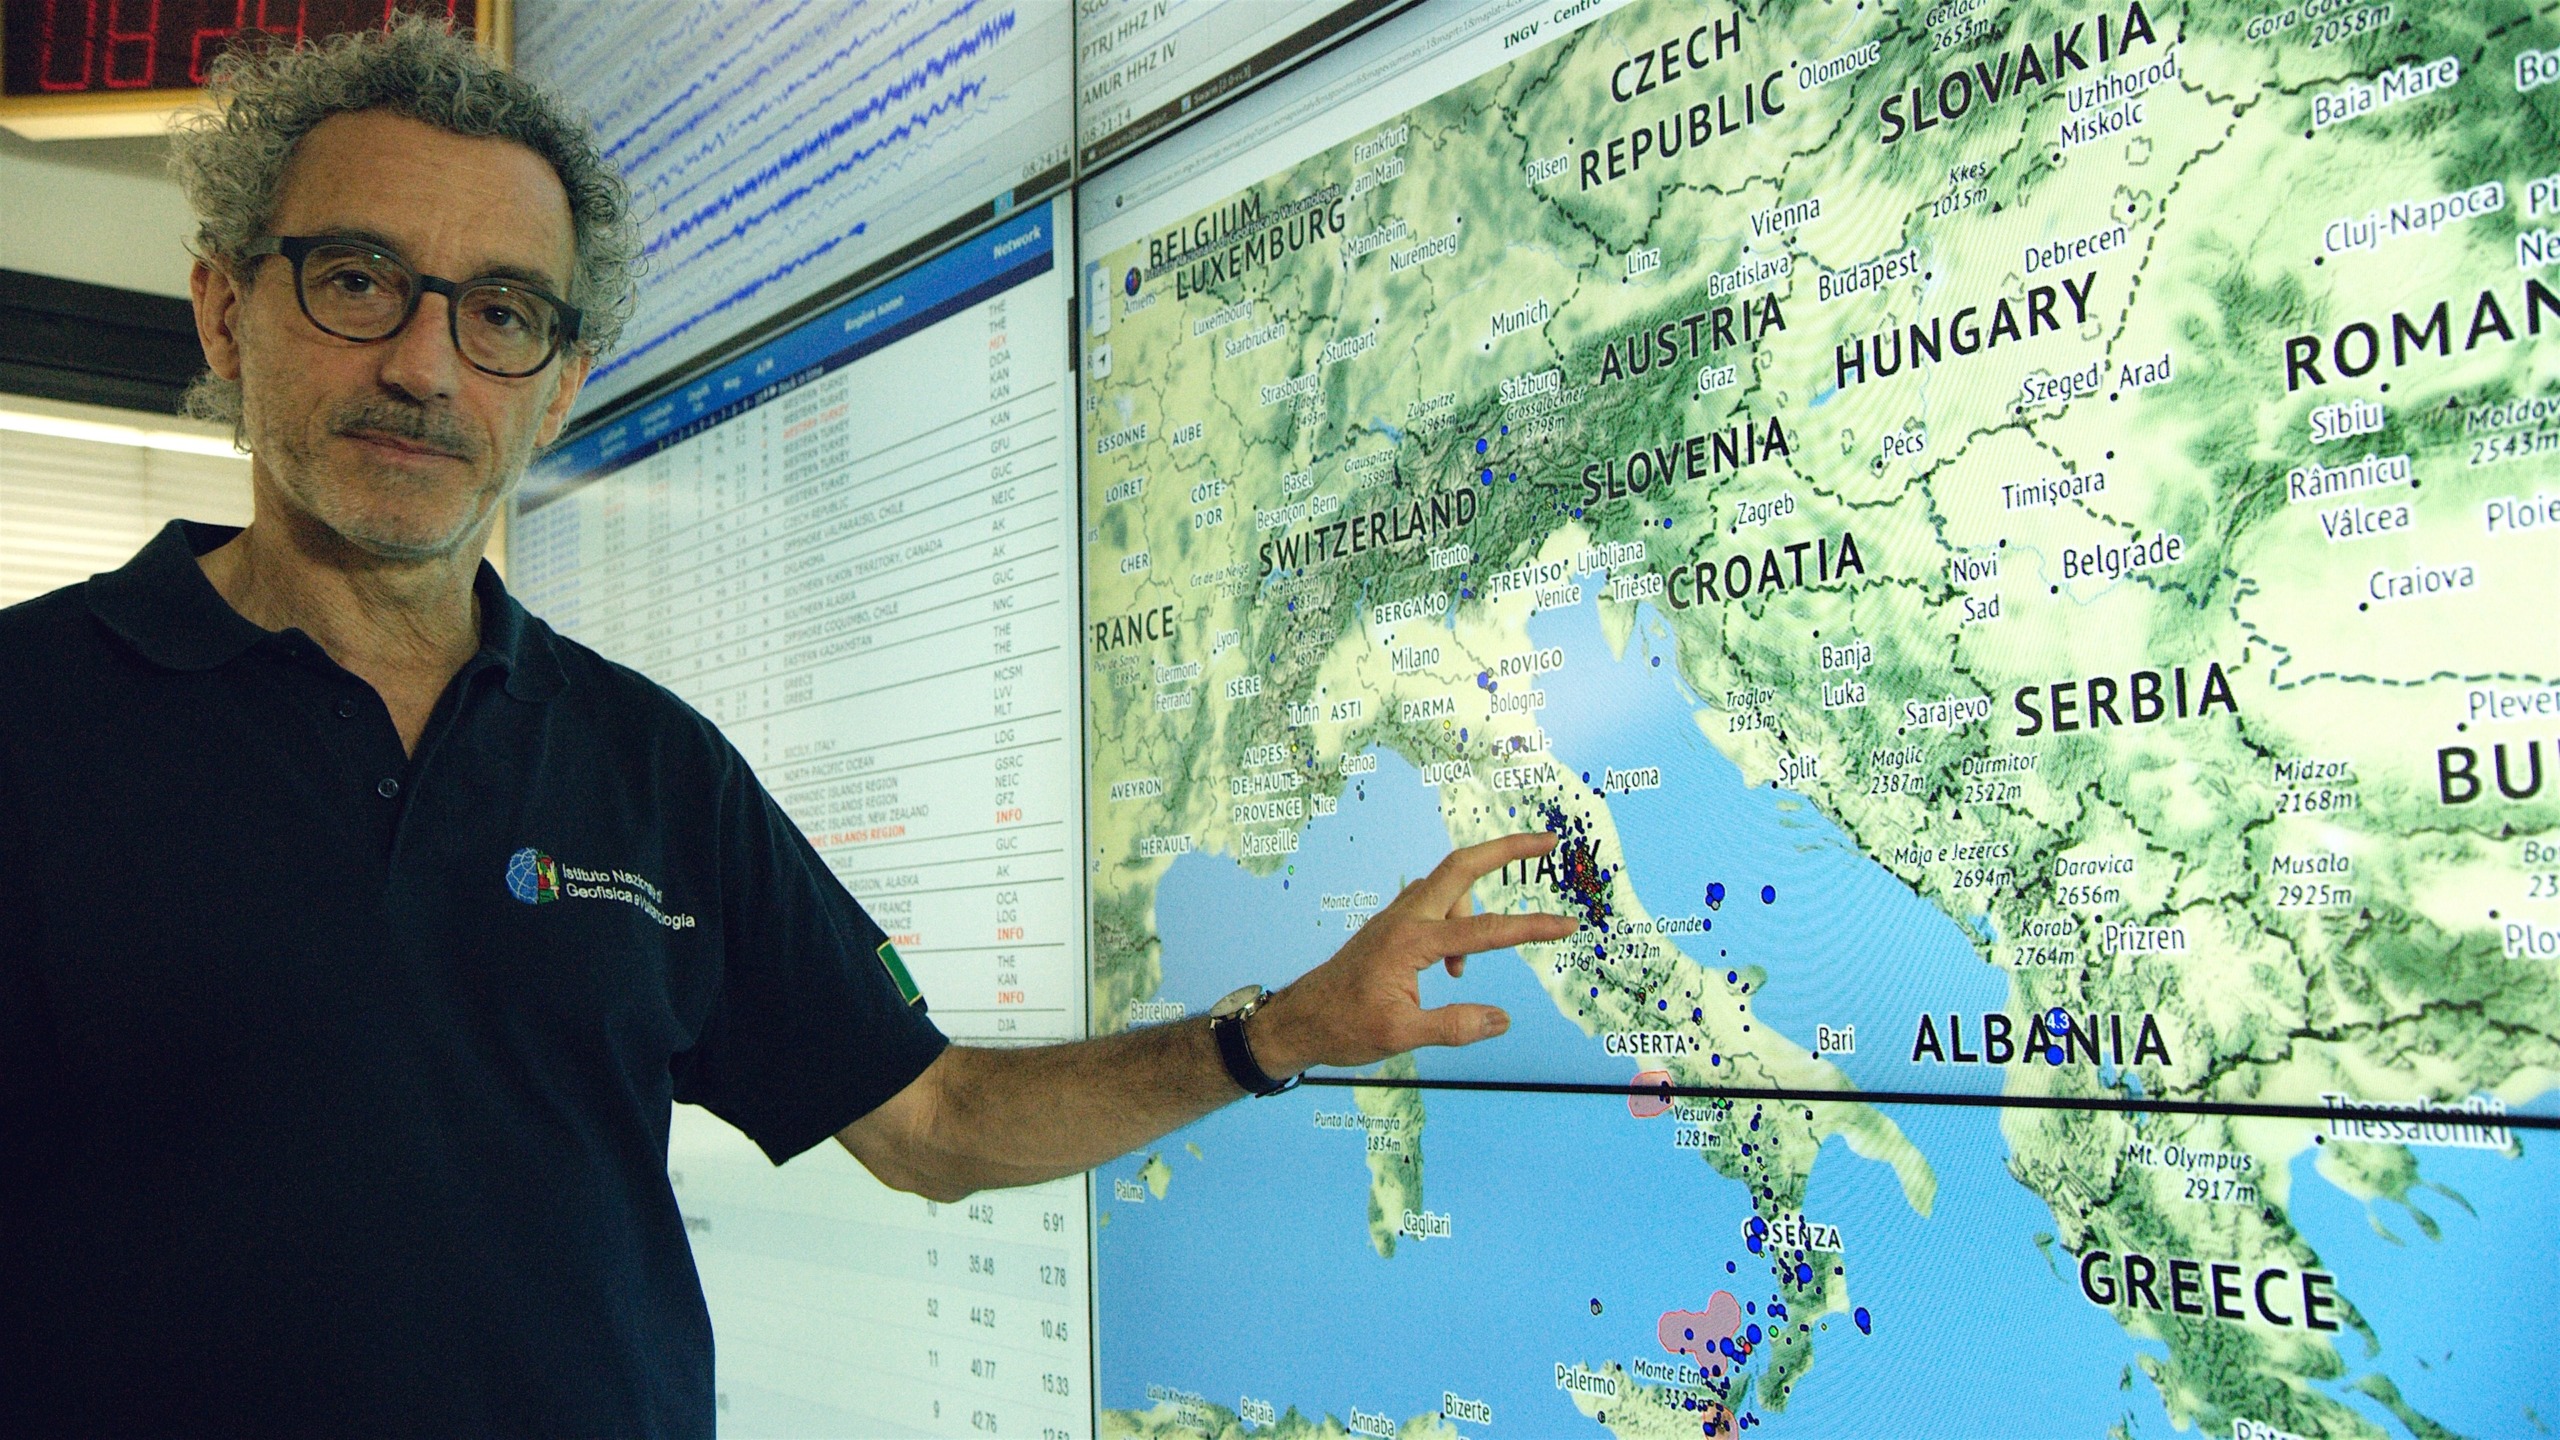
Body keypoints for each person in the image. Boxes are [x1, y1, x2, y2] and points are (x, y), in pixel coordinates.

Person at [0, 19, 1578, 1436]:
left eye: (500, 314)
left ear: (556, 388)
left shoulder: (646, 762)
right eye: (356, 281)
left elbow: (935, 1121)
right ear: (224, 311)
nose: (424, 363)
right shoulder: (36, 717)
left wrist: (1281, 1032)